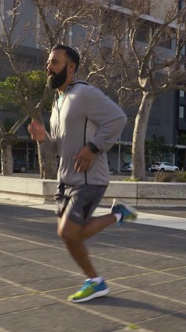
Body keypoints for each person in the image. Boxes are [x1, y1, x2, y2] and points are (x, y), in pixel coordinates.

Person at [27, 44, 138, 303]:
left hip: (89, 179)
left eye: (55, 62)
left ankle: (95, 281)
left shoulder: (85, 94)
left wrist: (94, 147)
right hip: (66, 179)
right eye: (49, 62)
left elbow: (118, 118)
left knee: (68, 233)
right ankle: (117, 216)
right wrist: (44, 138)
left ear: (71, 67)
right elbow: (59, 148)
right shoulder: (58, 102)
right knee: (68, 235)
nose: (49, 67)